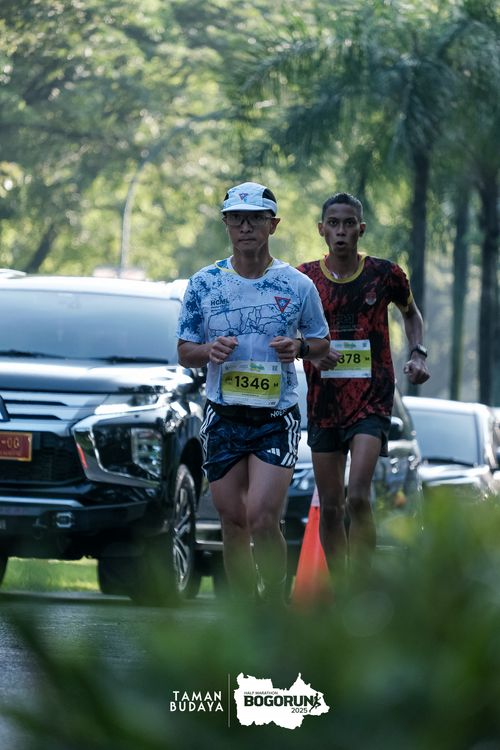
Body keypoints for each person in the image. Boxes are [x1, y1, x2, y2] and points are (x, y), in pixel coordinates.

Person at [176, 181, 330, 604]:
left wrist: (298, 348)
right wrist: (209, 351)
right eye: (237, 219)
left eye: (255, 219)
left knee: (262, 517)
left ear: (272, 225)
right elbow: (185, 351)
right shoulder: (204, 283)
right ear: (226, 224)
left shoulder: (297, 285)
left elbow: (322, 344)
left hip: (275, 418)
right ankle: (244, 615)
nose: (245, 227)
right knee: (233, 521)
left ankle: (275, 599)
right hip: (223, 416)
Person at [297, 192, 430, 579]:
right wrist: (309, 352)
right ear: (321, 230)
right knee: (331, 505)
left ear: (361, 229)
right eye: (333, 223)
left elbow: (411, 314)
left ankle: (360, 586)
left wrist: (418, 353)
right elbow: (288, 329)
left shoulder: (385, 275)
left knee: (357, 495)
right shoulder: (304, 278)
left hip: (371, 400)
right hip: (324, 402)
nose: (341, 231)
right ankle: (341, 589)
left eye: (348, 223)